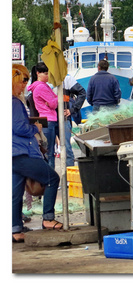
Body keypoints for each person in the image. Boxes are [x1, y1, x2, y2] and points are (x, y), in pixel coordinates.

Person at [12, 64, 63, 240]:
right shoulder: (14, 102)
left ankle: (15, 229)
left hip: (12, 153)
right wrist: (34, 127)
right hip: (21, 151)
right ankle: (48, 218)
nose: (25, 84)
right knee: (52, 178)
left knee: (16, 192)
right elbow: (18, 127)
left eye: (26, 80)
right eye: (23, 80)